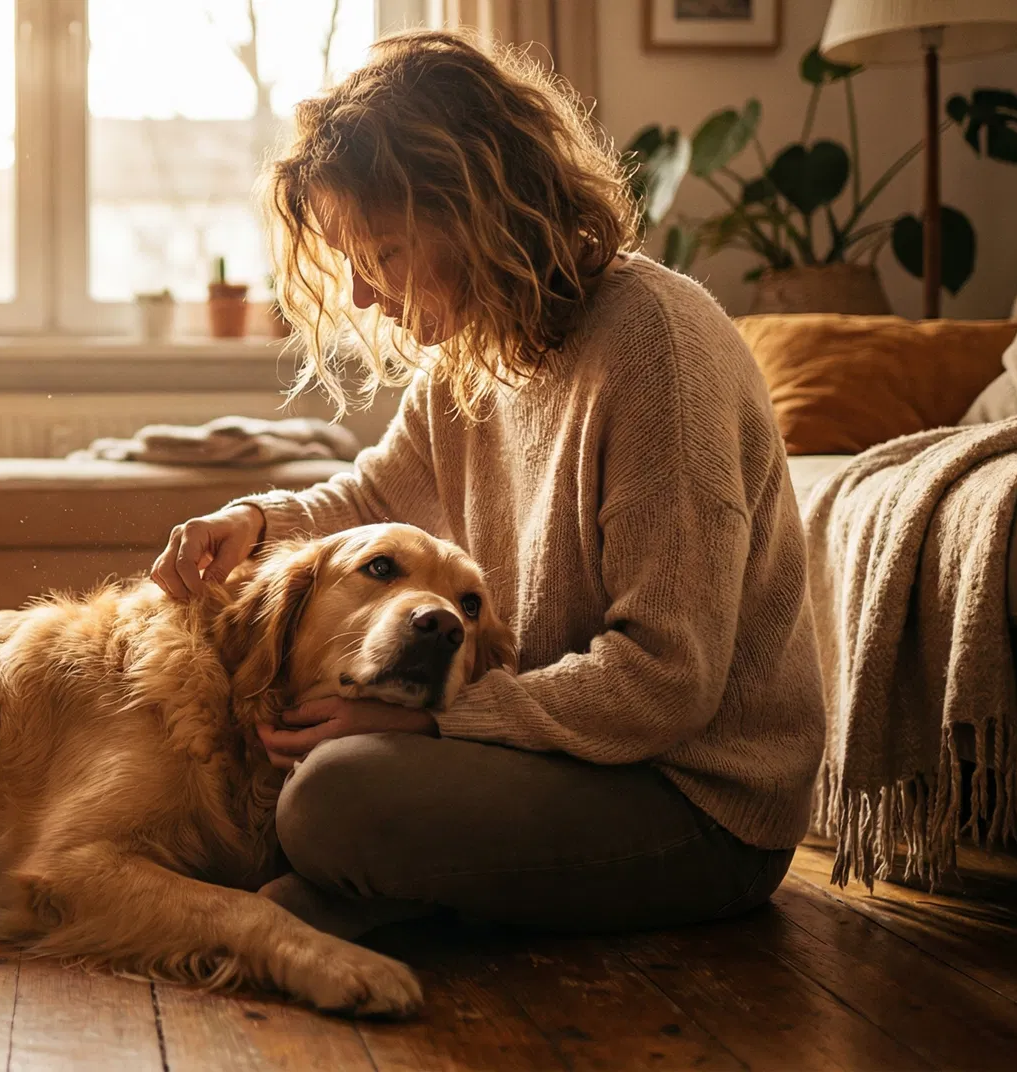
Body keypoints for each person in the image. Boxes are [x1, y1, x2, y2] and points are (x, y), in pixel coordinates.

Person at [151, 29, 824, 937]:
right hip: (564, 761)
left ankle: (368, 891)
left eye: (380, 254)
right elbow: (374, 499)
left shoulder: (658, 348)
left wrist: (434, 726)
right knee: (300, 799)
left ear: (470, 208)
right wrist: (254, 518)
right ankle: (357, 899)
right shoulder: (478, 355)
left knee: (330, 801)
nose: (361, 297)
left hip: (692, 804)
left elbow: (667, 681)